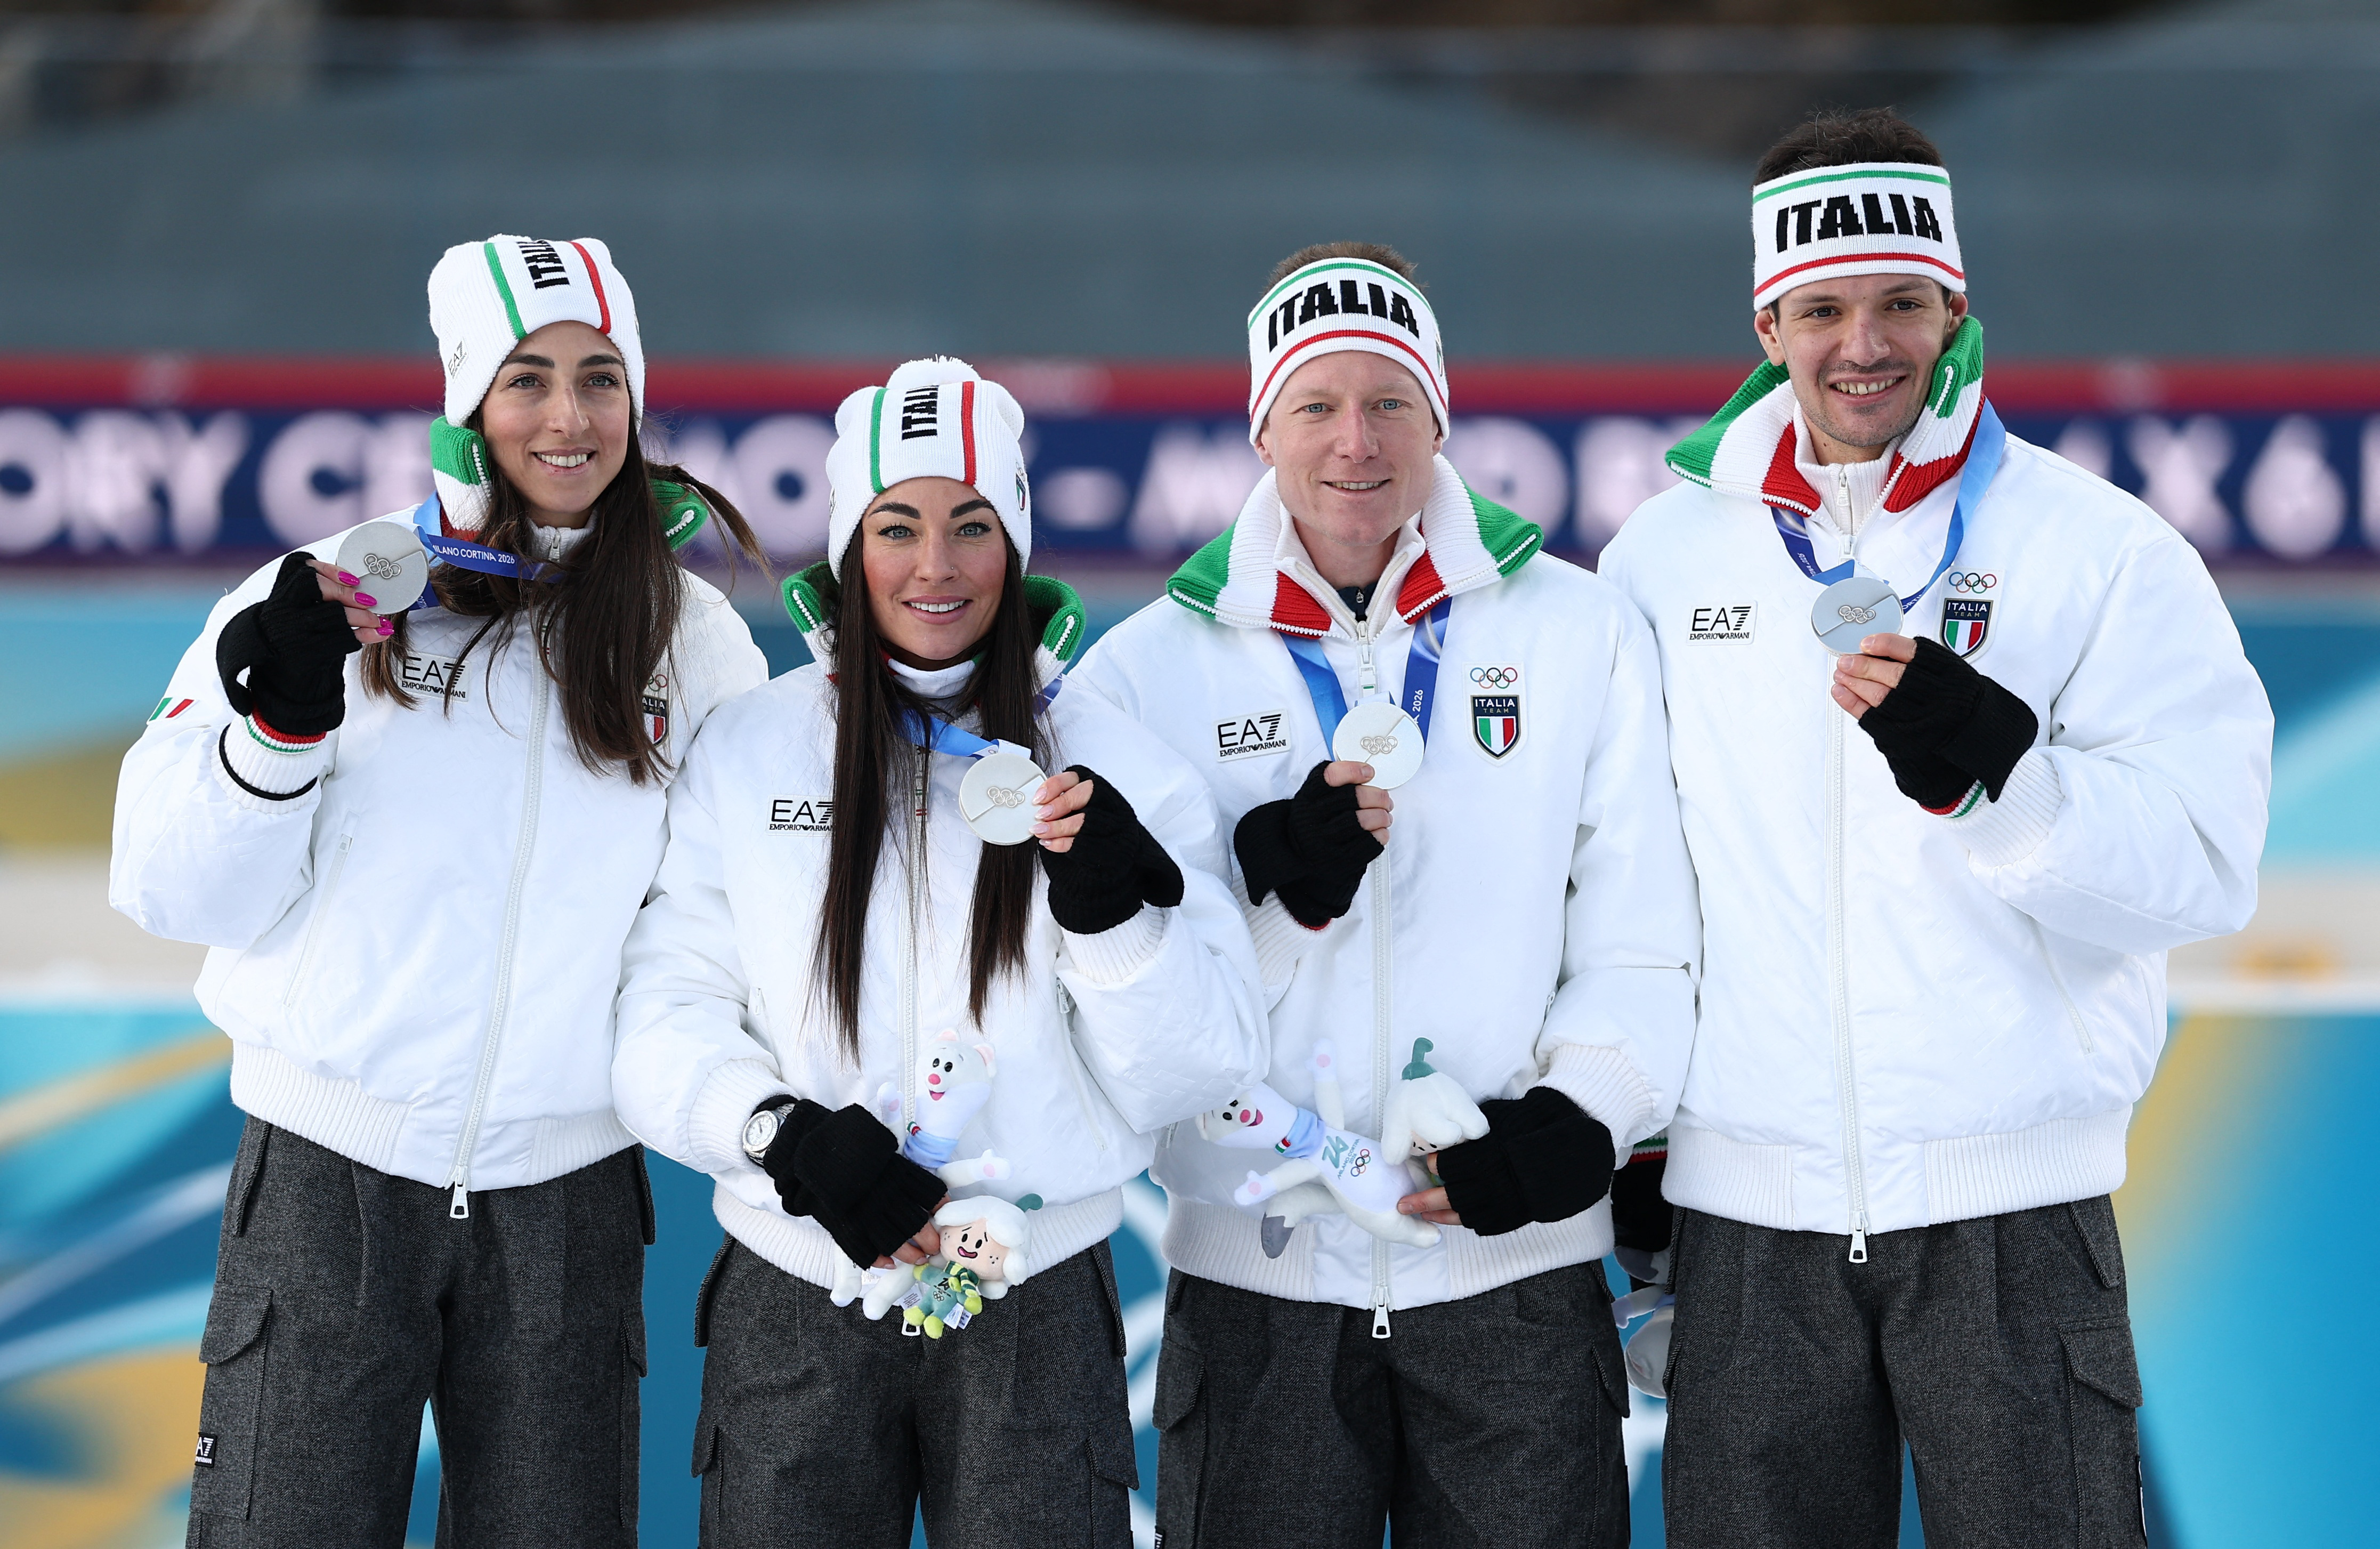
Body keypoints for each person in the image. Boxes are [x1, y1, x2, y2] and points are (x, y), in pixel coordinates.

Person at [1597, 109, 2273, 1546]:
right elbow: (1620, 878)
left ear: (1955, 308)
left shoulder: (2096, 549)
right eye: (1825, 307)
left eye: (1902, 302)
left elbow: (2209, 864)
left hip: (2011, 1212)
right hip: (1747, 1219)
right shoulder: (1662, 558)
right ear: (1767, 320)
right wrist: (1634, 1135)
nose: (1864, 344)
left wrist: (2008, 781)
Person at [111, 235, 770, 1548]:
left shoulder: (692, 641)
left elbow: (745, 918)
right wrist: (278, 730)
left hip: (568, 1200)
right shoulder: (328, 599)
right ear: (468, 400)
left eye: (600, 378)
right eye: (526, 379)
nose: (568, 416)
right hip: (327, 1174)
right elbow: (166, 883)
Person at [1070, 244, 1700, 1548]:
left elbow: (1644, 932)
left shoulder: (1575, 633)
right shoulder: (1140, 675)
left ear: (1438, 417)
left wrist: (1588, 1116)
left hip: (1513, 1276)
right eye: (1316, 405)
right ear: (1261, 427)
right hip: (1259, 1288)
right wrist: (1265, 897)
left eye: (1389, 403)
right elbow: (1121, 999)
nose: (1355, 442)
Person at [609, 357, 1267, 1549]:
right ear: (848, 548)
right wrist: (781, 1137)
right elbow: (663, 1012)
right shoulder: (750, 750)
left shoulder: (1118, 764)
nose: (935, 565)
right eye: (896, 525)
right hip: (799, 1291)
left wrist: (1116, 925)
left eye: (972, 525)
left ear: (1014, 544)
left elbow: (1196, 1078)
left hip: (1033, 1303)